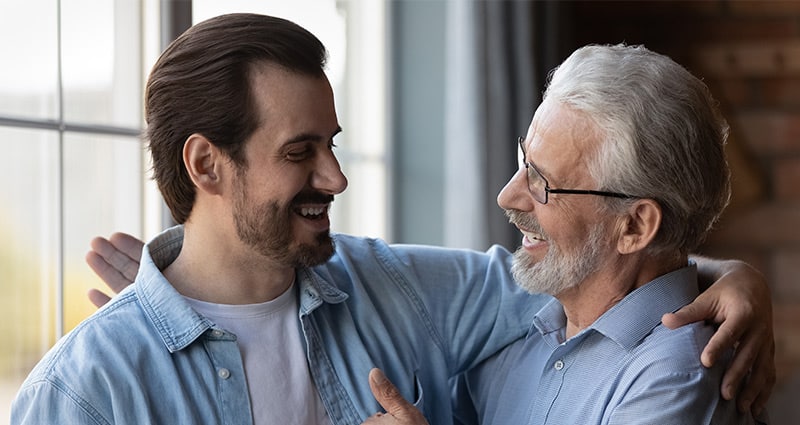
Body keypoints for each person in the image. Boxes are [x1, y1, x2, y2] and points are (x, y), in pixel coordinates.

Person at [12, 14, 772, 425]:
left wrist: (730, 275)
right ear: (207, 164)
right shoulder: (85, 394)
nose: (336, 177)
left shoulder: (410, 292)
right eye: (301, 151)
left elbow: (609, 278)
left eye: (333, 146)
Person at [362, 44, 770, 425]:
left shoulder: (677, 379)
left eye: (542, 182)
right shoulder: (523, 318)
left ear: (634, 226)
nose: (508, 195)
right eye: (525, 160)